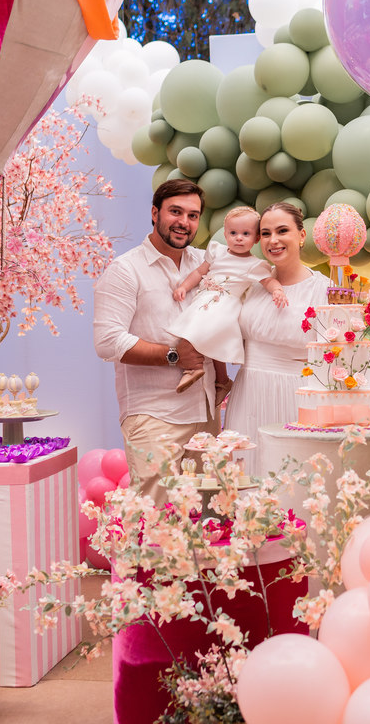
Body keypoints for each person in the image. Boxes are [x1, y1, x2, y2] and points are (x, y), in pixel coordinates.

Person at [92, 179, 225, 502]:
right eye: (175, 212)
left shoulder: (204, 265)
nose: (184, 222)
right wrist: (173, 355)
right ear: (155, 213)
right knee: (158, 519)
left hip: (205, 414)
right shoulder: (126, 270)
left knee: (208, 516)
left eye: (193, 215)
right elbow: (107, 341)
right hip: (154, 416)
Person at [223, 202, 329, 477]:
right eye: (266, 233)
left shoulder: (324, 290)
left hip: (298, 394)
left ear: (301, 235)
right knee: (246, 474)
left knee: (294, 479)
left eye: (283, 230)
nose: (274, 240)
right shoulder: (252, 284)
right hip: (249, 392)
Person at [167, 206, 288, 393]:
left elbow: (268, 280)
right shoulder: (217, 251)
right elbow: (200, 272)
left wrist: (277, 290)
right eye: (233, 233)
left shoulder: (253, 264)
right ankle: (222, 380)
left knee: (194, 329)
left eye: (246, 233)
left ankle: (194, 368)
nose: (238, 238)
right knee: (212, 340)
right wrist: (184, 286)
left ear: (256, 238)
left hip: (225, 304)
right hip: (206, 297)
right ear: (225, 234)